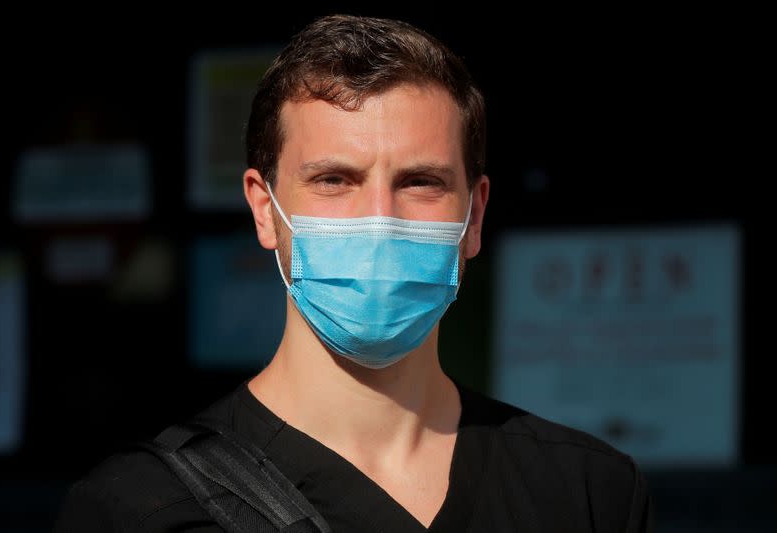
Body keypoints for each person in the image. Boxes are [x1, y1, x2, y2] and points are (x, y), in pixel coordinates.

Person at [54, 14, 653, 532]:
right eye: (334, 181)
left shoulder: (586, 492)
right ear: (266, 209)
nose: (379, 221)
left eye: (421, 182)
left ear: (474, 217)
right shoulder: (141, 511)